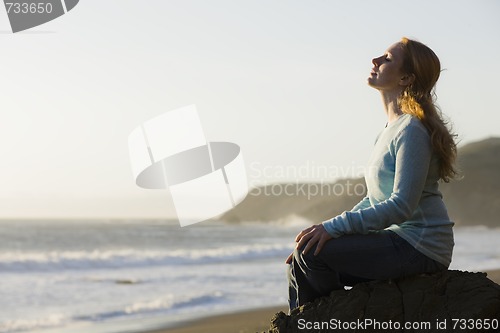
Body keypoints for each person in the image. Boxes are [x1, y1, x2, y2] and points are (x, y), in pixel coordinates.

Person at [286, 37, 457, 311]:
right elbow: (375, 199)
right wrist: (325, 231)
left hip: (419, 246)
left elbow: (400, 206)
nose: (375, 61)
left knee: (313, 257)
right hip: (399, 240)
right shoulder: (390, 129)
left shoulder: (412, 130)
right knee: (305, 254)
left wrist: (331, 229)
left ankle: (334, 323)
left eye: (387, 58)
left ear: (405, 78)